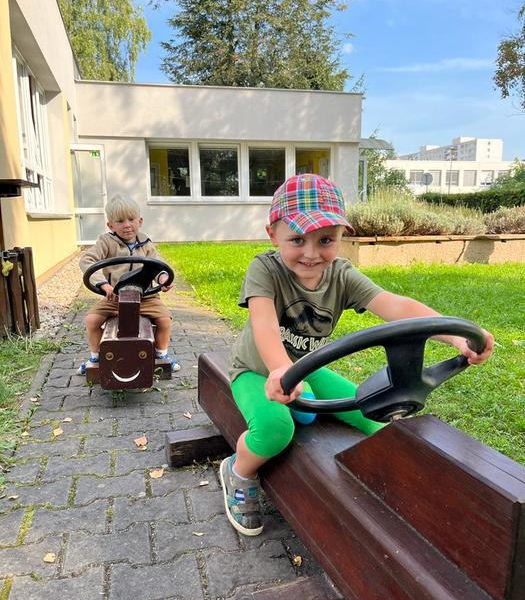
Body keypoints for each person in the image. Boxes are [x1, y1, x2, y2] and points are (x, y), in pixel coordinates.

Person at [220, 173, 494, 536]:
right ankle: (239, 472)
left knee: (373, 412)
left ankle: (381, 488)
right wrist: (280, 369)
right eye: (297, 239)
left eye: (326, 240)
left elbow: (397, 306)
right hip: (259, 371)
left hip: (305, 369)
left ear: (341, 237)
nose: (311, 253)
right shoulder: (265, 270)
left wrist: (456, 337)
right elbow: (265, 326)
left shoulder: (342, 275)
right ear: (273, 235)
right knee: (276, 429)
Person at [77, 194, 180, 374]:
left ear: (140, 221)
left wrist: (163, 279)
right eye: (120, 221)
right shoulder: (106, 242)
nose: (127, 225)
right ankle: (96, 357)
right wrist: (104, 285)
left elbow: (157, 265)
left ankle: (161, 355)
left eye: (131, 219)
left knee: (165, 320)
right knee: (91, 320)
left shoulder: (145, 244)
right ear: (110, 225)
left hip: (146, 297)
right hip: (115, 298)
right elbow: (87, 261)